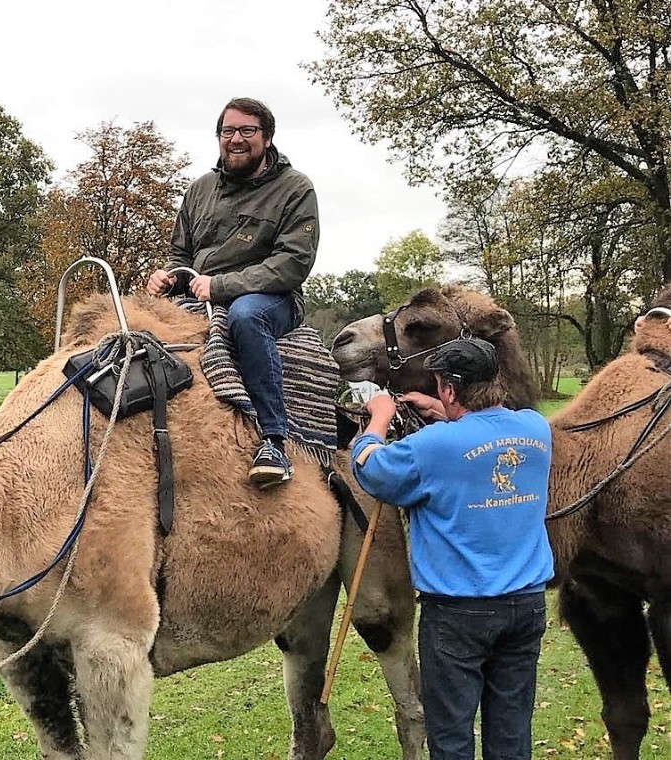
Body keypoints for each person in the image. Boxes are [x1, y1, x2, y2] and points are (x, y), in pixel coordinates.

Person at [349, 337, 554, 760]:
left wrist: (378, 420)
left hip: (459, 614)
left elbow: (373, 469)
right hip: (526, 606)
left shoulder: (434, 446)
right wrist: (443, 412)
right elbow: (483, 437)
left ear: (449, 387)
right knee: (512, 731)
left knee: (452, 734)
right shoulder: (536, 429)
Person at [146, 97, 319, 488]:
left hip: (273, 297)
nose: (235, 139)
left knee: (245, 316)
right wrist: (167, 277)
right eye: (228, 131)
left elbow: (292, 264)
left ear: (267, 137)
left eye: (246, 131)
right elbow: (181, 254)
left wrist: (221, 286)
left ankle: (274, 439)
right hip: (201, 291)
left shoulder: (295, 189)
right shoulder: (200, 189)